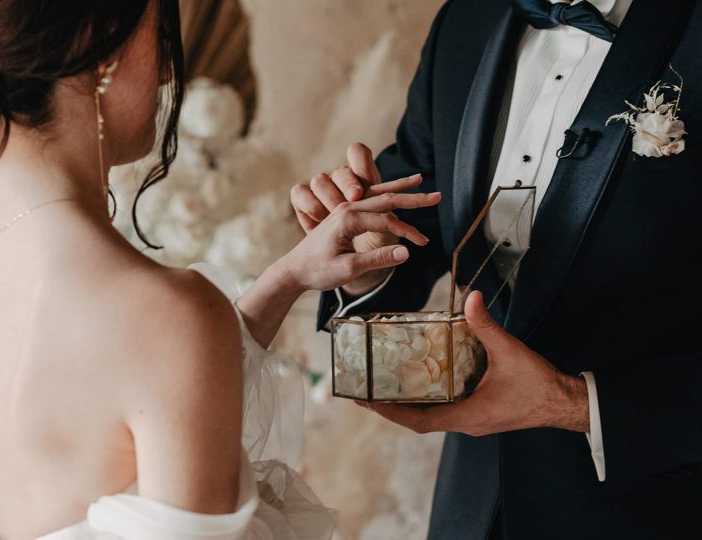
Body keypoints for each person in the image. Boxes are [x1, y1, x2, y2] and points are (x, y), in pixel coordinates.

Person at [0, 1, 441, 538]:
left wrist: (290, 275)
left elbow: (137, 402)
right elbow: (160, 359)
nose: (164, 71)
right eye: (159, 34)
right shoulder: (164, 317)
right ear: (101, 56)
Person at [292, 0, 702, 538]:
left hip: (659, 506)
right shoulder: (466, 20)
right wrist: (365, 260)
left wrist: (575, 405)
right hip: (470, 501)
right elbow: (418, 210)